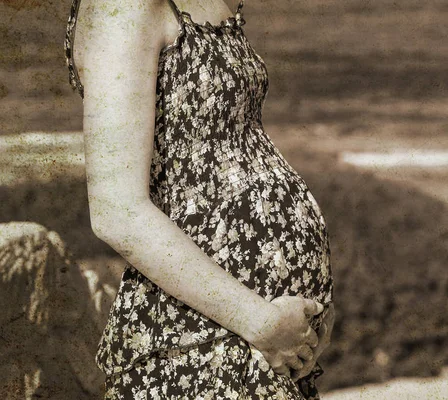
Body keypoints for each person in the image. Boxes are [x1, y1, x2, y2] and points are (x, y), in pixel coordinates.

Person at [64, 0, 335, 398]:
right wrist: (260, 321)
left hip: (249, 342)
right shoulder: (118, 7)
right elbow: (115, 211)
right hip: (198, 344)